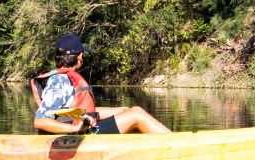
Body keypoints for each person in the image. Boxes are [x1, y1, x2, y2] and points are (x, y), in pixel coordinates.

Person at [30, 33, 169, 135]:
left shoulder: (64, 79)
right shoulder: (59, 81)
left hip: (81, 134)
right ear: (79, 56)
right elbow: (41, 121)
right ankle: (180, 146)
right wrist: (76, 129)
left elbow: (80, 113)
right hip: (76, 138)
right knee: (137, 114)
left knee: (128, 111)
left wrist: (121, 110)